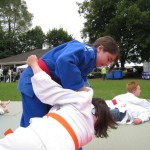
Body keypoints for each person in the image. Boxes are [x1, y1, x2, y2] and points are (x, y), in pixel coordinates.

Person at [0, 55, 117, 150]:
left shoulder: (81, 99)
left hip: (36, 137)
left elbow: (48, 87)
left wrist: (34, 64)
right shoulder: (88, 133)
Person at [18, 36, 119, 128]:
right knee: (35, 122)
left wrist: (86, 95)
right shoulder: (85, 50)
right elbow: (64, 60)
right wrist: (80, 88)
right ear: (100, 48)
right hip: (34, 80)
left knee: (50, 120)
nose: (107, 64)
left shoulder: (89, 62)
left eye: (110, 63)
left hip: (45, 83)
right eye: (108, 59)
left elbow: (82, 81)